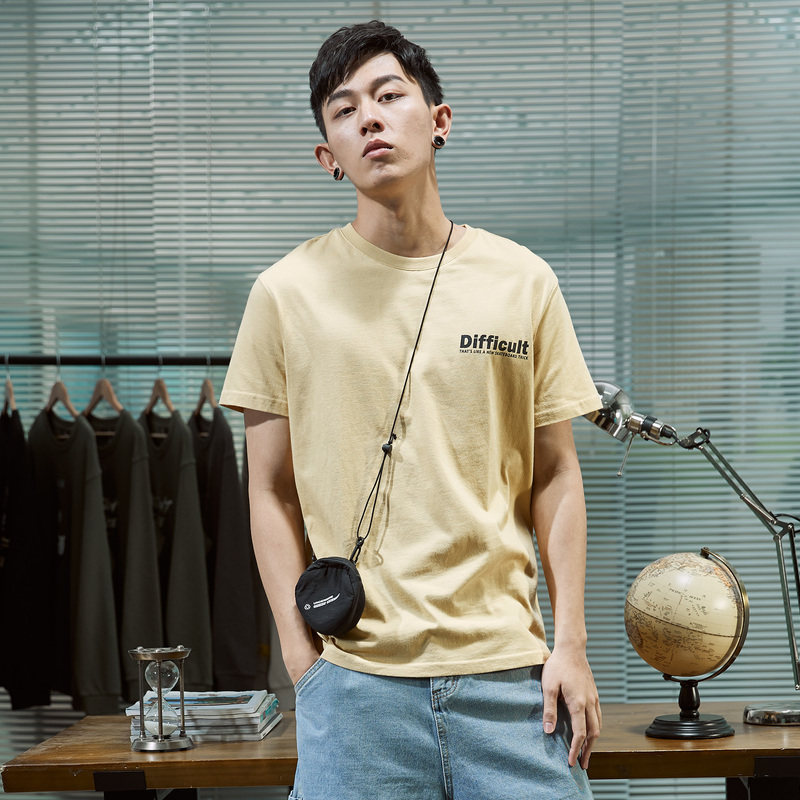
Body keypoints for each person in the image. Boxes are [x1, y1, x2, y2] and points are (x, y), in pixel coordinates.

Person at [221, 20, 602, 800]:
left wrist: (570, 644)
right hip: (355, 690)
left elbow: (557, 475)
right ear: (329, 156)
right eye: (344, 109)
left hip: (513, 684)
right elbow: (269, 489)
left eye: (389, 95)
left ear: (439, 120)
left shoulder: (522, 281)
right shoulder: (284, 295)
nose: (369, 117)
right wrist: (303, 661)